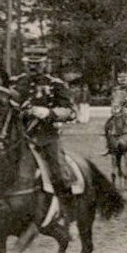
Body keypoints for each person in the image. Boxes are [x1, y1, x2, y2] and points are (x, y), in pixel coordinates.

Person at [10, 45, 77, 200]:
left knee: (60, 173)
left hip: (45, 137)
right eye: (30, 63)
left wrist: (50, 113)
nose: (33, 66)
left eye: (37, 63)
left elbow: (70, 112)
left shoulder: (55, 84)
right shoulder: (15, 83)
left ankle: (66, 211)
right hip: (19, 138)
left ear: (45, 63)